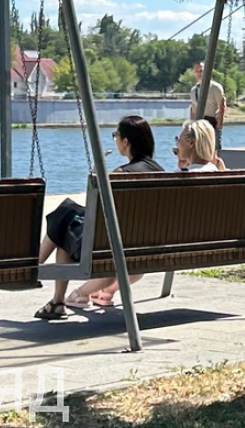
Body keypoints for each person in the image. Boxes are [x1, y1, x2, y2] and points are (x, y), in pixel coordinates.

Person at [34, 116, 163, 320]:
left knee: (63, 219)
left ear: (125, 141)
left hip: (107, 248)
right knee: (67, 216)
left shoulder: (121, 174)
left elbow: (100, 214)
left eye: (116, 135)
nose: (116, 139)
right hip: (141, 246)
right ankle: (46, 284)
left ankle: (39, 276)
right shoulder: (161, 172)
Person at [189, 61, 226, 151]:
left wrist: (218, 126)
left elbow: (222, 107)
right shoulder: (193, 90)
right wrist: (191, 126)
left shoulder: (215, 87)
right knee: (199, 151)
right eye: (197, 71)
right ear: (194, 73)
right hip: (198, 124)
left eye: (201, 71)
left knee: (214, 151)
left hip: (212, 123)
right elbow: (193, 109)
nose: (199, 74)